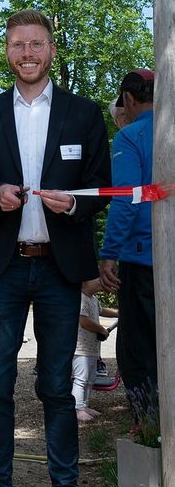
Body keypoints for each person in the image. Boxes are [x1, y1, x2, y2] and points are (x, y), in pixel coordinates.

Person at [0, 9, 111, 487]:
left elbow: (100, 183)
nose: (28, 53)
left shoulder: (83, 113)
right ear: (8, 52)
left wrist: (74, 203)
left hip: (58, 268)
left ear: (50, 49)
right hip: (5, 265)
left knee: (56, 383)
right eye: (19, 45)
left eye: (37, 44)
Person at [98, 70, 157, 418]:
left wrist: (109, 254)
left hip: (143, 261)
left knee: (138, 349)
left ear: (129, 100)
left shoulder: (130, 137)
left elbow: (125, 201)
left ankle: (148, 426)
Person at [71, 278, 112, 422]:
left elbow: (103, 311)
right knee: (81, 379)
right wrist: (101, 329)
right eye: (96, 278)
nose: (101, 280)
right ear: (84, 282)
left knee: (90, 379)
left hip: (91, 348)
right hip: (80, 348)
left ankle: (84, 405)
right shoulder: (81, 298)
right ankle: (77, 408)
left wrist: (120, 313)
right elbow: (84, 321)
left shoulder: (93, 299)